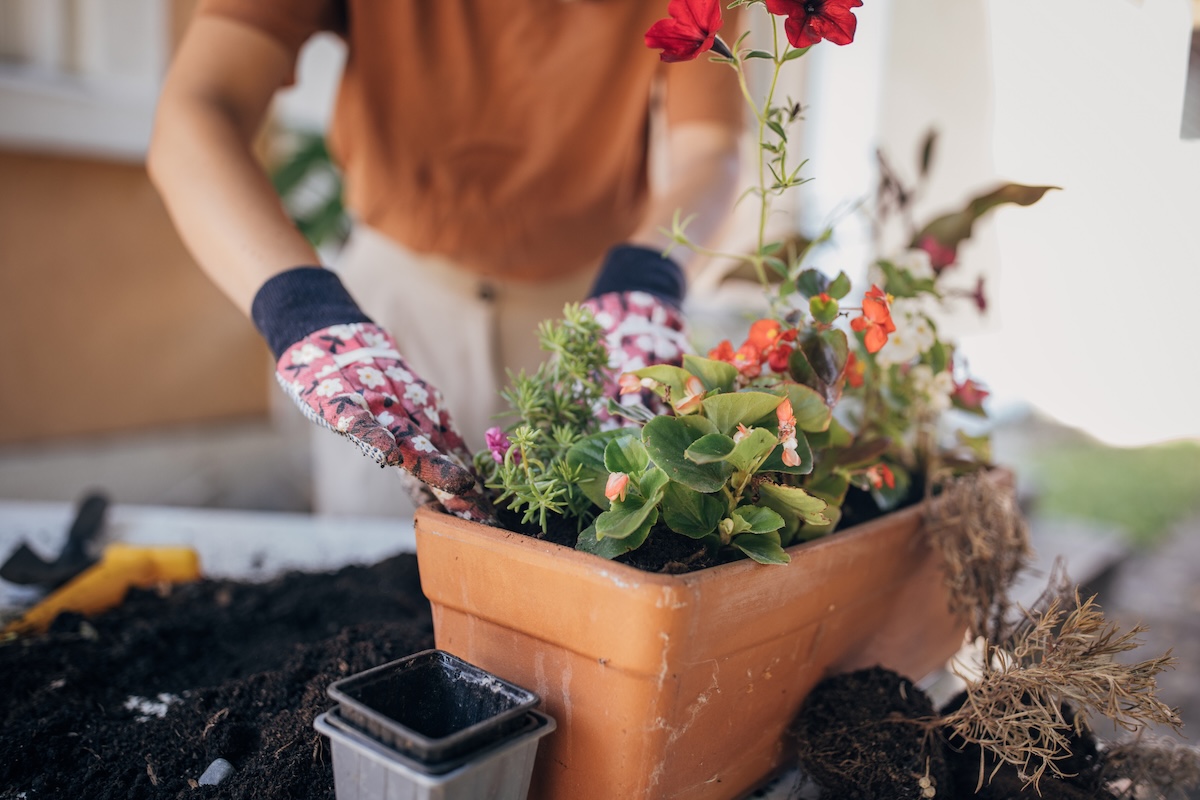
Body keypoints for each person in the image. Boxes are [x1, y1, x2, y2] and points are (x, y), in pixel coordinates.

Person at [148, 0, 744, 520]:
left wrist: (647, 281)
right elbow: (200, 107)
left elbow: (710, 145)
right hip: (390, 317)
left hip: (589, 326)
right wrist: (304, 314)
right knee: (378, 575)